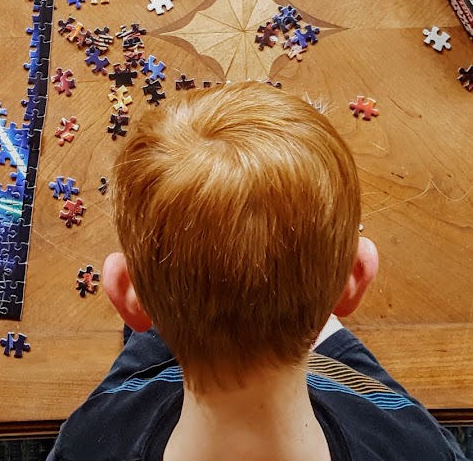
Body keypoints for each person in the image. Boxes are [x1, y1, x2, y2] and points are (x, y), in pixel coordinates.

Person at [48, 82, 465, 461]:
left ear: (124, 293)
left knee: (173, 316)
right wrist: (306, 285)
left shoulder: (86, 441)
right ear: (355, 280)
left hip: (146, 389)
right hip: (353, 400)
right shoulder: (415, 445)